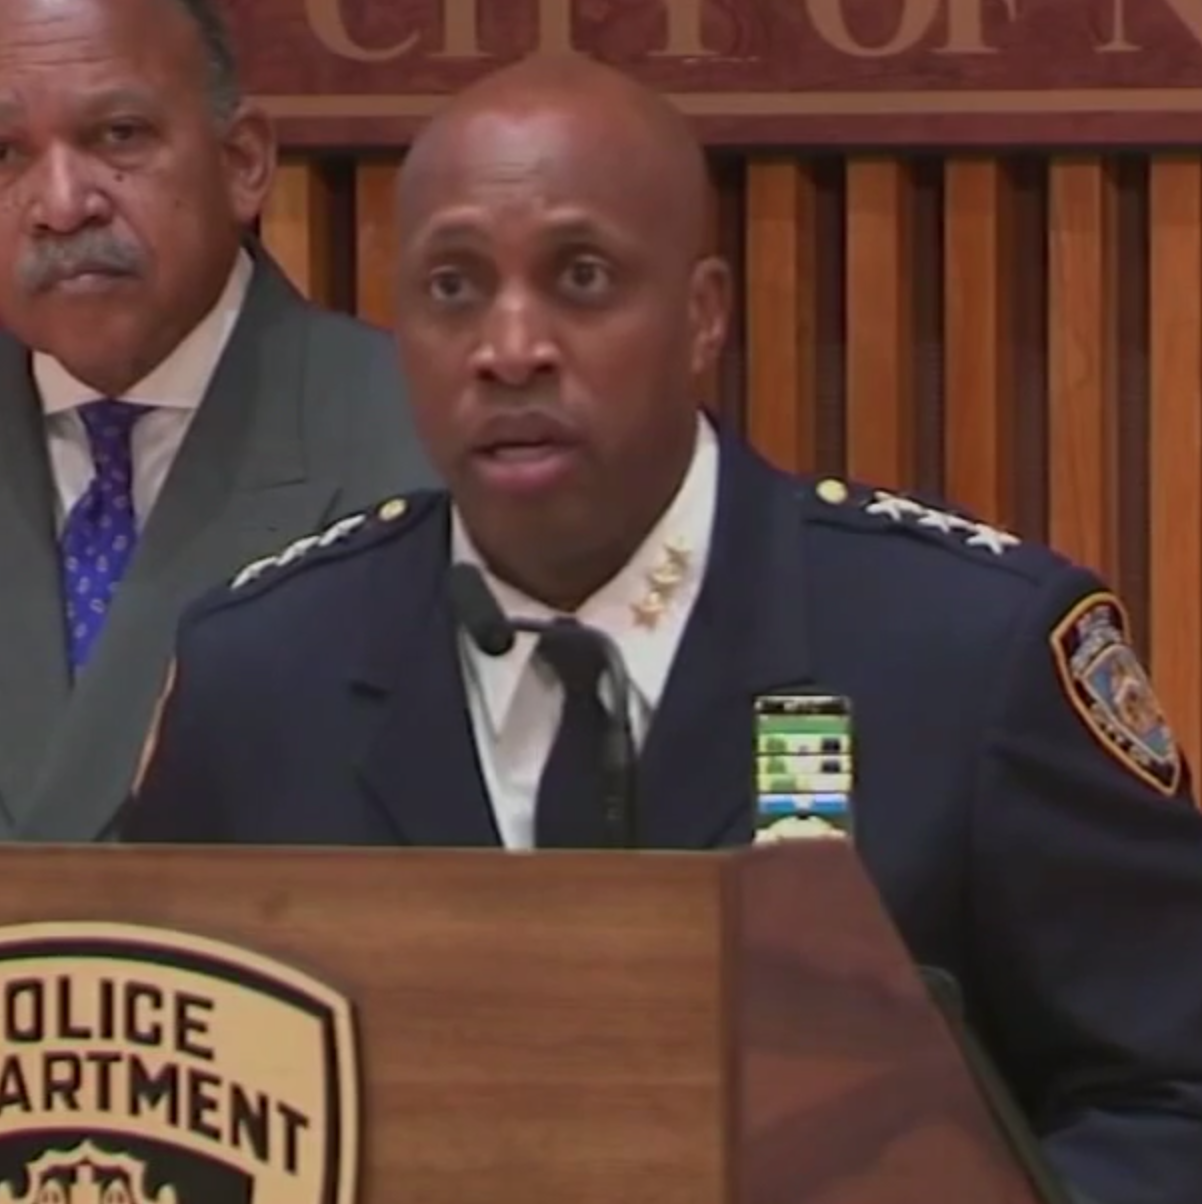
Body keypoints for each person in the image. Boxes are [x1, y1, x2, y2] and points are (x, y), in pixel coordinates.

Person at [120, 54, 1202, 1203]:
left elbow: (1167, 1098)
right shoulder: (261, 676)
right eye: (451, 287)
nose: (509, 347)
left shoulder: (964, 652)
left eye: (580, 278)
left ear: (701, 317)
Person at [0, 0, 436, 843]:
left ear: (242, 162)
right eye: (5, 154)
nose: (61, 205)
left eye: (119, 135)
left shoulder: (425, 447)